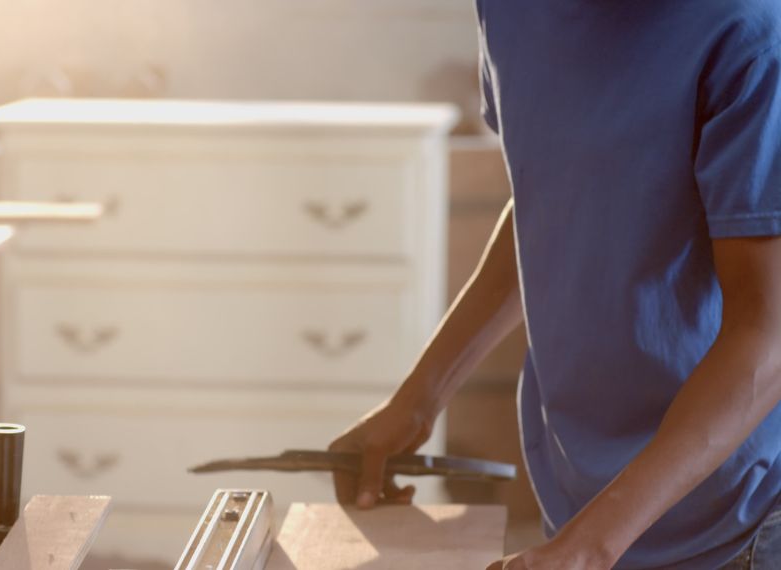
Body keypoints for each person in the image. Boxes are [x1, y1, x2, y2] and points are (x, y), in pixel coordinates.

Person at [329, 1, 781, 568]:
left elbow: (766, 335)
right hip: (580, 504)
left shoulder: (750, 34)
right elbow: (551, 200)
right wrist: (419, 400)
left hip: (733, 525)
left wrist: (590, 547)